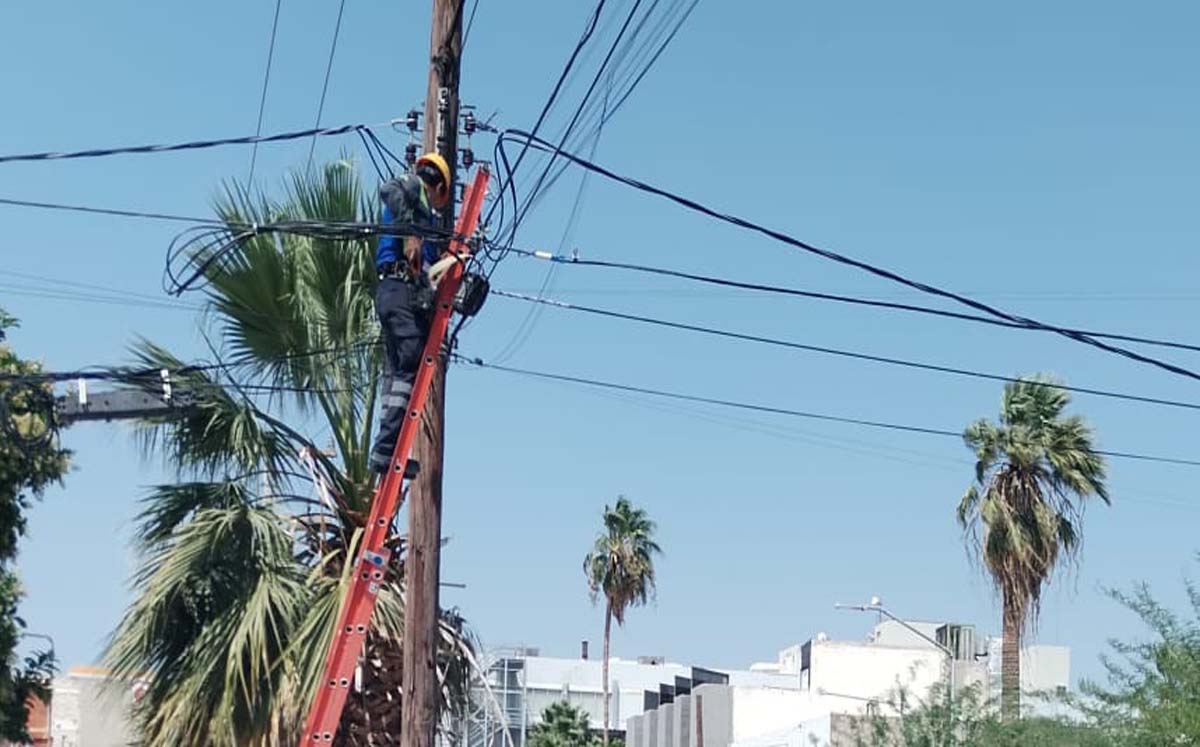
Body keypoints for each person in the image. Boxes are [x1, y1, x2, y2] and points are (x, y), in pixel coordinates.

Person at [369, 151, 452, 475]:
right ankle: (387, 448)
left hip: (397, 294)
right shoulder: (413, 190)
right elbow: (389, 188)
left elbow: (428, 271)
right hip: (397, 289)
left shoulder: (425, 221)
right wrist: (411, 234)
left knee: (396, 372)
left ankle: (386, 451)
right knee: (411, 361)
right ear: (439, 187)